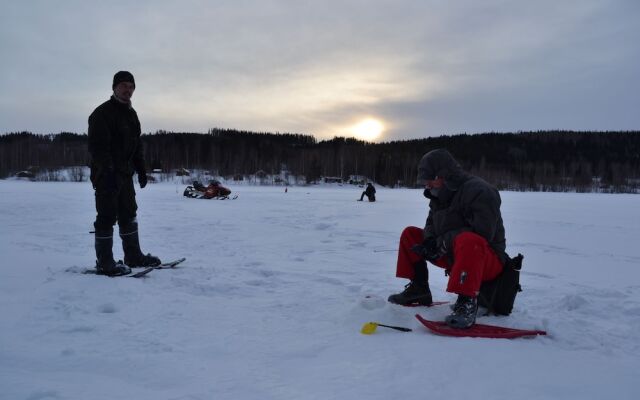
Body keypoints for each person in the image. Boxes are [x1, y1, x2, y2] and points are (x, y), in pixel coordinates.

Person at [387, 149, 507, 328]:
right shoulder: (439, 194)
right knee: (410, 235)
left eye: (430, 179)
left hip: (487, 260)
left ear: (444, 174)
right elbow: (430, 223)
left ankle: (466, 303)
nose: (427, 184)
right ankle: (419, 289)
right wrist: (429, 241)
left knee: (469, 241)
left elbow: (482, 234)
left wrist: (442, 243)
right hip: (454, 253)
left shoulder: (480, 191)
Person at [88, 71, 161, 276]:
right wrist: (108, 172)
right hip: (106, 176)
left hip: (125, 175)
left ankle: (133, 256)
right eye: (123, 86)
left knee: (129, 214)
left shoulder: (131, 114)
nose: (127, 90)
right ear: (114, 88)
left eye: (131, 86)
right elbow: (98, 148)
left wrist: (141, 169)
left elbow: (136, 145)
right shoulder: (101, 113)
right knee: (106, 216)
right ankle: (105, 262)